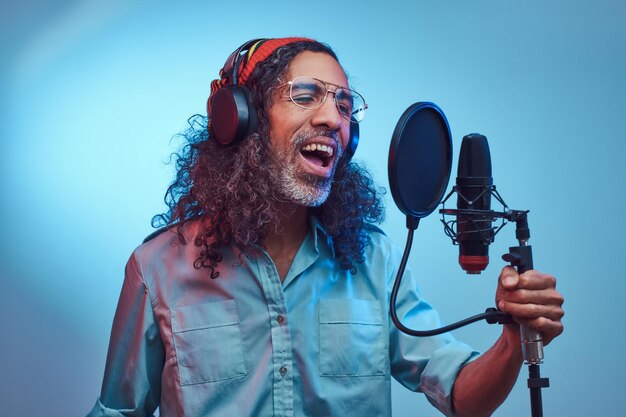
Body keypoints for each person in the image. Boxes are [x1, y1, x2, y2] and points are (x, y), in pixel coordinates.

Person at [87, 37, 564, 417]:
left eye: (344, 105)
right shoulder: (156, 269)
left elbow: (463, 396)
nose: (332, 118)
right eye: (306, 95)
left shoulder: (372, 258)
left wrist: (512, 338)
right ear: (242, 118)